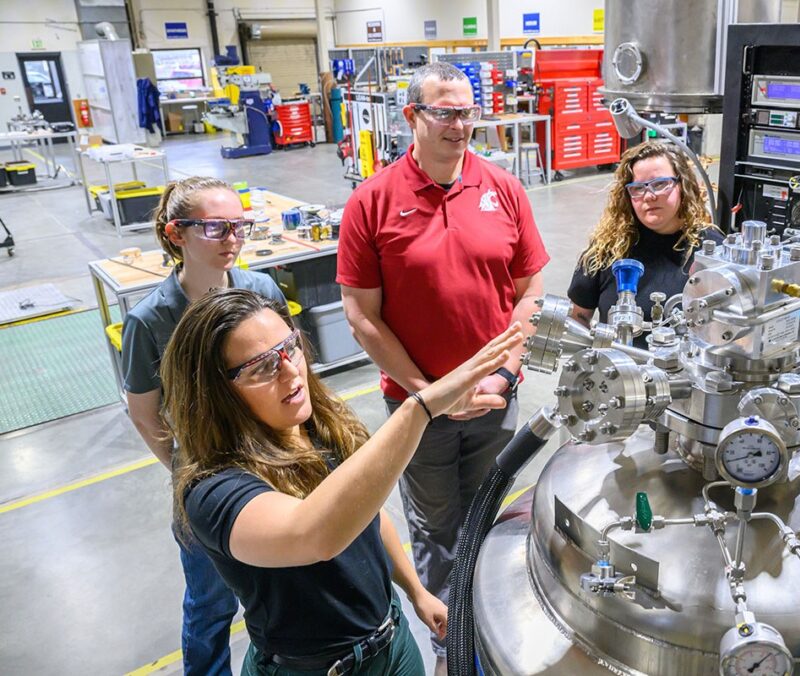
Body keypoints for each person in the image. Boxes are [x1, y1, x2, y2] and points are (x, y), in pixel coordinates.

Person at [162, 288, 523, 675]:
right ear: (214, 392)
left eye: (291, 347)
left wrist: (416, 592)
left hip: (392, 643)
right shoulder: (213, 488)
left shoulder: (315, 426)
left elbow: (368, 516)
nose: (291, 371)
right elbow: (313, 534)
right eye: (262, 367)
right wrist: (421, 408)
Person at [336, 61, 549, 671]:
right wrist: (432, 394)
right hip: (417, 409)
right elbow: (362, 316)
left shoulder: (502, 188)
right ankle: (450, 652)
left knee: (490, 517)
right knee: (434, 533)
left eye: (468, 111)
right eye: (446, 112)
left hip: (495, 400)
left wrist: (504, 374)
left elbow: (529, 291)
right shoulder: (372, 201)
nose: (461, 125)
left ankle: (488, 634)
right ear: (412, 117)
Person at [121, 177, 287, 675]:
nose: (233, 240)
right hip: (208, 484)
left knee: (282, 589)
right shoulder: (151, 320)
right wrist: (189, 471)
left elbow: (292, 369)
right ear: (177, 233)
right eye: (217, 228)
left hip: (275, 466)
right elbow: (144, 412)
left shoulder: (261, 290)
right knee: (211, 606)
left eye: (239, 226)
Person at [568, 141, 723, 346]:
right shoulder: (607, 248)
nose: (649, 196)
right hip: (618, 373)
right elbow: (578, 318)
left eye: (660, 184)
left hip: (684, 376)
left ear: (682, 185)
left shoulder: (712, 248)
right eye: (638, 188)